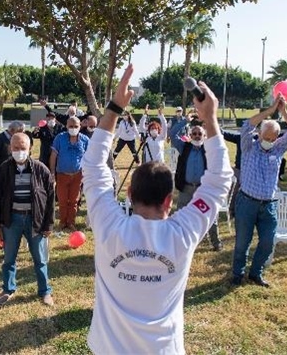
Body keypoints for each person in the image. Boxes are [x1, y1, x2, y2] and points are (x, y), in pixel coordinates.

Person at [83, 64, 232, 354]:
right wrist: (211, 120)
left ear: (128, 193)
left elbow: (93, 167)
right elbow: (219, 182)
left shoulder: (108, 224)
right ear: (169, 200)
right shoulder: (183, 232)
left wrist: (114, 107)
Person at [231, 95, 287, 287]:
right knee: (242, 243)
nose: (269, 141)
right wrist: (269, 111)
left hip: (268, 205)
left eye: (272, 138)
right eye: (266, 137)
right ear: (259, 134)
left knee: (267, 242)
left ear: (277, 138)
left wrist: (284, 112)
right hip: (246, 202)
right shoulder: (249, 147)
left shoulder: (278, 149)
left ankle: (256, 273)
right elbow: (246, 125)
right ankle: (237, 274)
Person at [0, 132, 55, 306]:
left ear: (30, 149)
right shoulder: (4, 169)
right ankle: (8, 289)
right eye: (16, 148)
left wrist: (48, 223)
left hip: (35, 221)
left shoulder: (41, 169)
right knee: (9, 258)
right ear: (10, 148)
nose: (19, 151)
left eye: (23, 148)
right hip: (11, 221)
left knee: (40, 259)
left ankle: (45, 291)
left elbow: (50, 199)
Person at [170, 121, 222, 250]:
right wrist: (185, 120)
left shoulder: (209, 150)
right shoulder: (184, 147)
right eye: (194, 134)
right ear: (190, 135)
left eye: (200, 134)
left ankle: (216, 242)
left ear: (204, 136)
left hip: (203, 189)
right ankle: (178, 241)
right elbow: (172, 134)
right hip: (186, 188)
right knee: (181, 215)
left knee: (209, 215)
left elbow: (218, 137)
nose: (197, 136)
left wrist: (208, 123)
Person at [49, 117, 89, 230]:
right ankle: (62, 222)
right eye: (71, 126)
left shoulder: (85, 140)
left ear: (80, 126)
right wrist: (52, 172)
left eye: (76, 126)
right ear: (66, 126)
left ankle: (71, 222)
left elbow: (89, 157)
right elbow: (53, 156)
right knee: (62, 201)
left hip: (78, 175)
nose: (73, 128)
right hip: (62, 174)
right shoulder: (59, 138)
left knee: (74, 201)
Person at [0, 121, 25, 197]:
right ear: (12, 130)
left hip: (9, 173)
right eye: (19, 132)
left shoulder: (14, 140)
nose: (20, 135)